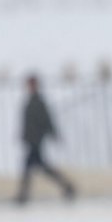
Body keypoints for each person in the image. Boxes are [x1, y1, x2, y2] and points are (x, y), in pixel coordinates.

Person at [16, 74, 76, 204]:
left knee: (32, 167)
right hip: (31, 140)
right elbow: (27, 123)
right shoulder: (31, 101)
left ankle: (23, 196)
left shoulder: (38, 102)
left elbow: (46, 120)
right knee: (40, 168)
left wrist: (53, 133)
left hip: (36, 141)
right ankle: (67, 187)